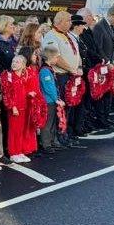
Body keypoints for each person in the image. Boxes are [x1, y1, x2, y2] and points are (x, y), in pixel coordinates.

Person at [41, 11, 84, 142]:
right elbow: (54, 57)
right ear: (59, 22)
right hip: (60, 75)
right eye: (68, 21)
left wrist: (79, 67)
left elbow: (77, 54)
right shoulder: (50, 36)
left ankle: (66, 133)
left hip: (72, 75)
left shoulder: (68, 35)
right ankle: (59, 136)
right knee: (61, 107)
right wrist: (71, 68)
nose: (71, 23)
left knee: (70, 105)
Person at [1, 53, 39, 163]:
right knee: (14, 131)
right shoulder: (8, 75)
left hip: (25, 107)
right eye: (13, 61)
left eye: (17, 62)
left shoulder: (24, 76)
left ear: (23, 65)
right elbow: (7, 93)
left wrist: (30, 94)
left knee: (22, 130)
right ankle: (13, 152)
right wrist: (12, 107)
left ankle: (20, 151)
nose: (14, 64)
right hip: (15, 108)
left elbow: (25, 90)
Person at [88, 6, 114, 128]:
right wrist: (107, 61)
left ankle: (106, 117)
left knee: (109, 92)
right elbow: (98, 47)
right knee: (101, 92)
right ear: (111, 15)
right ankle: (100, 119)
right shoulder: (99, 26)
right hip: (102, 65)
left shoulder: (112, 27)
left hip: (111, 65)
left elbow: (113, 46)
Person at [38, 44, 66, 152]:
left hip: (52, 100)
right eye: (56, 57)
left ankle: (52, 141)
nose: (58, 59)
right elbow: (49, 87)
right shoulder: (45, 71)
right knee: (47, 123)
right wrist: (56, 99)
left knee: (54, 122)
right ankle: (46, 144)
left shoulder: (49, 69)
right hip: (48, 101)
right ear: (51, 58)